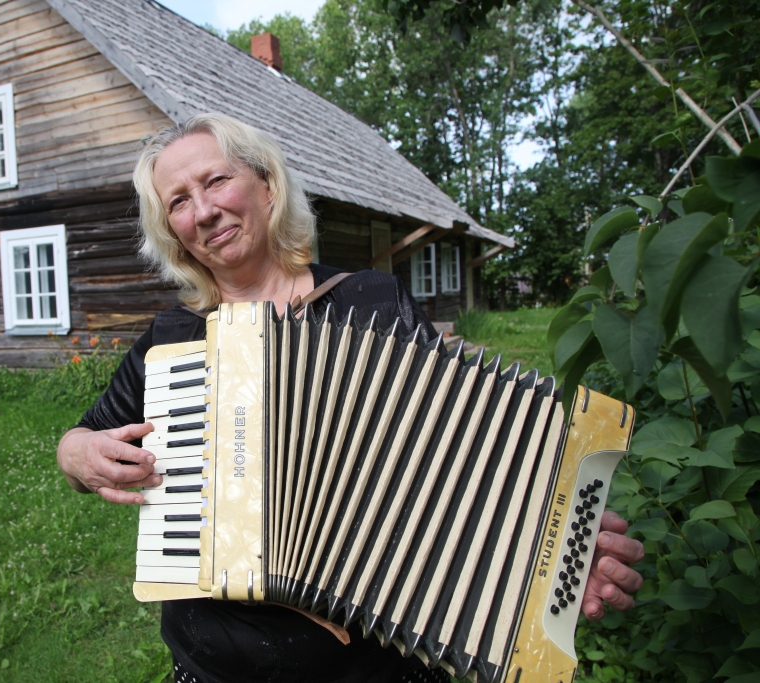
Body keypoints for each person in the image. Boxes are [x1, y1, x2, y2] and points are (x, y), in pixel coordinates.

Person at [56, 113, 644, 683]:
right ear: (171, 230)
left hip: (375, 662)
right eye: (179, 201)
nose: (204, 211)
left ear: (267, 186)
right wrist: (79, 455)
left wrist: (558, 546)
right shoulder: (173, 341)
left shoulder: (371, 303)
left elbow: (462, 456)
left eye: (216, 180)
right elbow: (83, 439)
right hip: (217, 662)